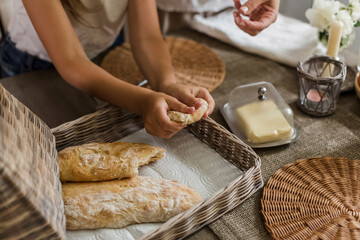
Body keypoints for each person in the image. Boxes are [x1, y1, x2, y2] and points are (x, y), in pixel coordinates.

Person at [0, 0, 215, 139]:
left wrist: (166, 83)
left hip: (100, 53)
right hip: (32, 68)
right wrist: (144, 101)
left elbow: (148, 37)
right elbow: (71, 60)